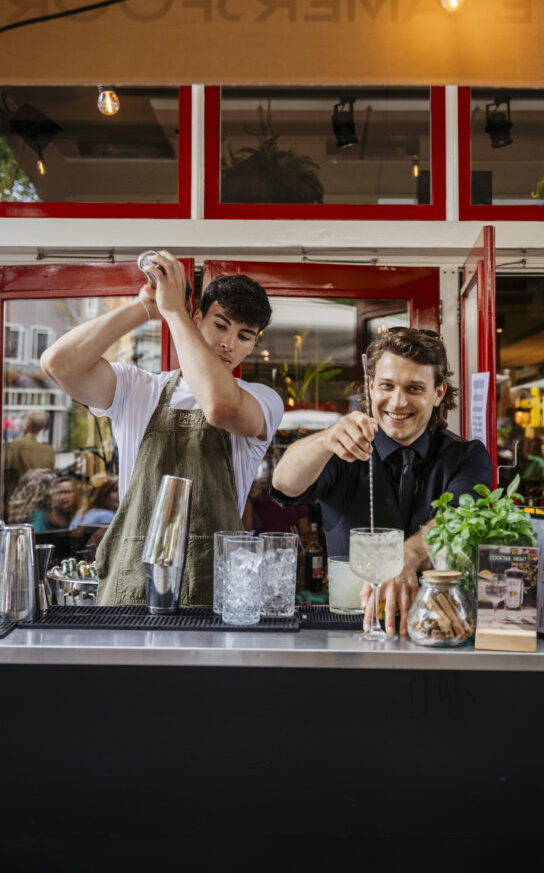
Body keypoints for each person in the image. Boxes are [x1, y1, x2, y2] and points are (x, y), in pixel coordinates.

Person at [41, 251, 284, 606]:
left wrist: (175, 314)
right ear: (197, 318)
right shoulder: (138, 388)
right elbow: (58, 363)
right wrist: (144, 308)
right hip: (130, 590)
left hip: (213, 593)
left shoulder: (261, 400)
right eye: (220, 325)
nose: (228, 344)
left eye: (244, 336)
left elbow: (219, 406)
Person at [271, 327, 492, 636]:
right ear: (372, 386)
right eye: (387, 386)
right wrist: (323, 440)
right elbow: (284, 484)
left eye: (414, 388)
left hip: (438, 629)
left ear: (438, 393)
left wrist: (406, 556)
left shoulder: (467, 457)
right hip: (349, 629)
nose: (398, 402)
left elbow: (457, 519)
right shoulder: (342, 448)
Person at [3, 410, 55, 518]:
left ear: (28, 423)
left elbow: (6, 476)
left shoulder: (13, 446)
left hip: (17, 503)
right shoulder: (48, 450)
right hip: (42, 503)